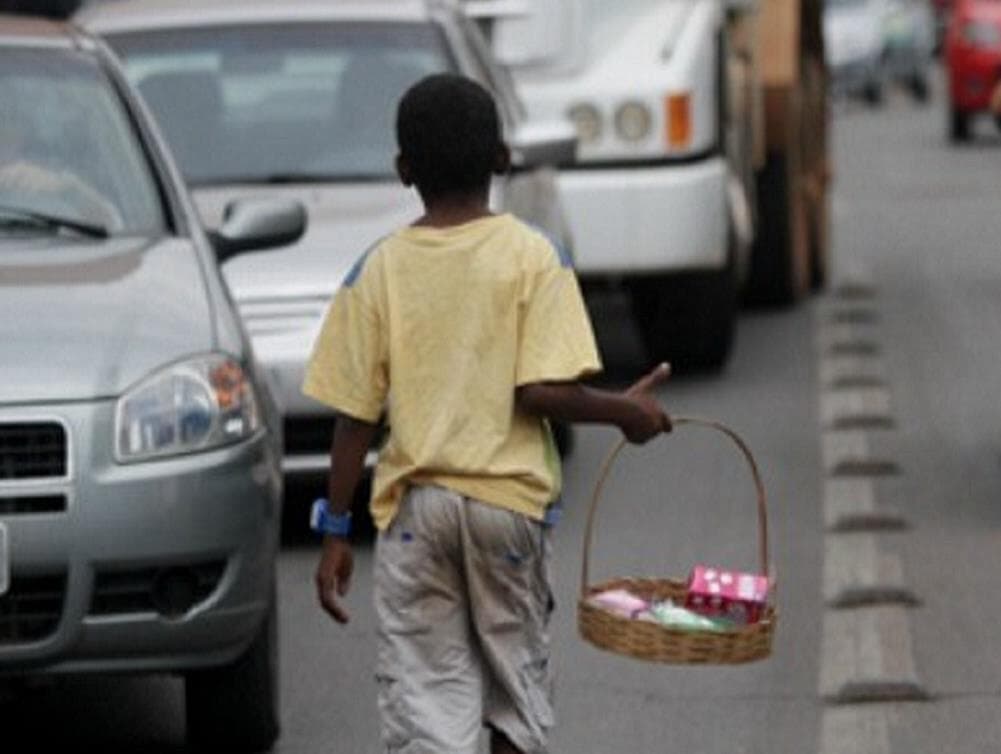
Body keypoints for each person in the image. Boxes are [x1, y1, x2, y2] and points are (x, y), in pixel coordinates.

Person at [302, 73, 672, 754]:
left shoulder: (376, 269)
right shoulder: (534, 258)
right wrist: (624, 412)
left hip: (416, 516)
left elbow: (354, 418)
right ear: (502, 159)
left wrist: (333, 532)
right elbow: (539, 394)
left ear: (402, 170)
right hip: (506, 510)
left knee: (425, 698)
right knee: (513, 693)